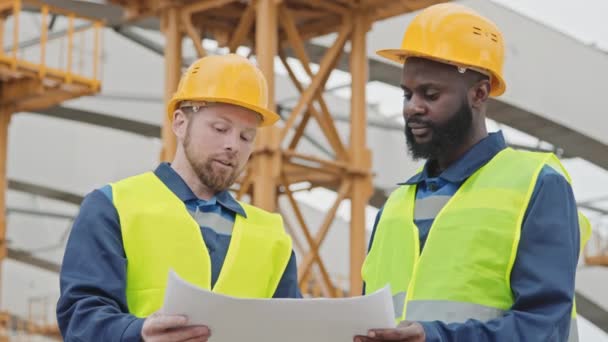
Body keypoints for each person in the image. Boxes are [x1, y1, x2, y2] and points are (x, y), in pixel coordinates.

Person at [355, 3, 591, 342]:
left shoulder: (536, 185)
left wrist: (436, 337)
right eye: (407, 94)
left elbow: (545, 328)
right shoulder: (395, 206)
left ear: (479, 93)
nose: (412, 108)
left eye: (430, 94)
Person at [57, 54, 300, 342]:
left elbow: (292, 331)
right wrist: (138, 333)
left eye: (246, 137)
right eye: (220, 129)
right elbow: (80, 317)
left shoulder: (272, 236)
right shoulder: (113, 207)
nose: (232, 145)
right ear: (180, 123)